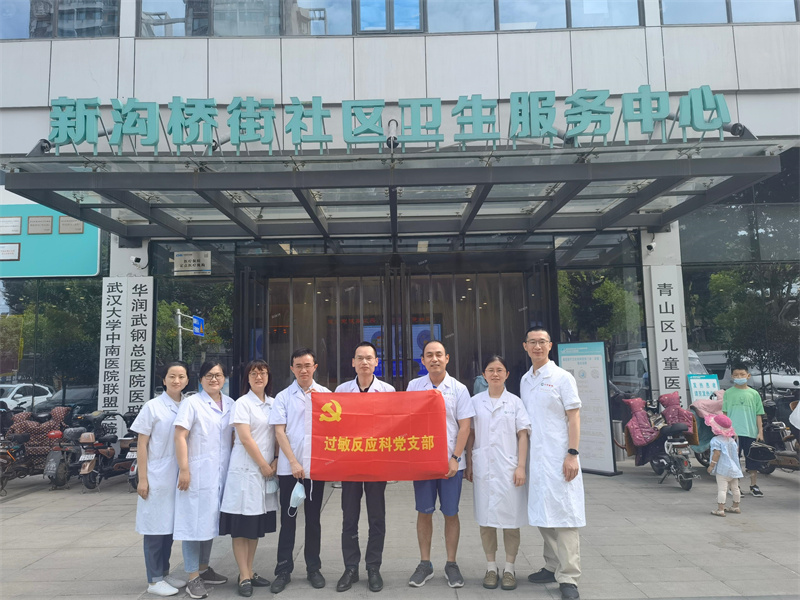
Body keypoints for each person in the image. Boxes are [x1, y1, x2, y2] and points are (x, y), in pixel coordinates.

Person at [521, 326, 584, 600]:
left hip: (560, 457)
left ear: (550, 345)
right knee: (542, 512)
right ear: (525, 346)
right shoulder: (525, 380)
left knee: (565, 515)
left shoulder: (562, 378)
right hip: (536, 459)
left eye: (542, 342)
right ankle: (551, 564)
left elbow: (574, 417)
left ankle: (569, 576)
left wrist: (572, 453)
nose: (537, 346)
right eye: (532, 342)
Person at [406, 340, 475, 589]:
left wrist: (456, 458)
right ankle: (425, 563)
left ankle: (451, 563)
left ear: (447, 358)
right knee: (424, 511)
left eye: (438, 354)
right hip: (423, 462)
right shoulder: (414, 386)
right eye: (429, 355)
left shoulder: (459, 389)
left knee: (450, 512)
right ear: (422, 360)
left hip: (450, 463)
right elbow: (407, 421)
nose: (434, 359)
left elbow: (465, 426)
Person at [333, 341, 395, 593]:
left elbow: (394, 427)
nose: (364, 362)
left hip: (376, 465)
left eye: (369, 358)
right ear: (353, 362)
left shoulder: (388, 391)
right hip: (349, 465)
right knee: (349, 518)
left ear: (376, 362)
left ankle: (373, 567)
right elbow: (334, 428)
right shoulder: (341, 391)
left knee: (376, 518)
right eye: (360, 358)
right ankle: (350, 567)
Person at [268, 348, 331, 594]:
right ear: (292, 368)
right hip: (289, 470)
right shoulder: (283, 397)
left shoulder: (326, 395)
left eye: (307, 365)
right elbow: (279, 432)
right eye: (298, 366)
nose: (303, 370)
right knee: (288, 519)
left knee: (314, 520)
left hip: (316, 469)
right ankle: (283, 570)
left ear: (315, 367)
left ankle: (313, 568)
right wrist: (293, 462)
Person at [465, 355, 530, 591]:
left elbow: (523, 434)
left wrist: (521, 466)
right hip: (484, 467)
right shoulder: (475, 402)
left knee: (511, 521)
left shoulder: (515, 403)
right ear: (484, 374)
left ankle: (510, 569)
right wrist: (469, 463)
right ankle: (491, 567)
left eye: (499, 370)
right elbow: (470, 434)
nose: (495, 374)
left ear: (507, 375)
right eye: (490, 370)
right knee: (486, 520)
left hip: (509, 468)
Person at [174, 361, 235, 600]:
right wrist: (184, 469)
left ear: (224, 378)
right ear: (200, 379)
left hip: (220, 474)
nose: (214, 379)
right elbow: (180, 436)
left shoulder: (230, 404)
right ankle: (192, 577)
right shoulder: (191, 403)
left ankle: (204, 568)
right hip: (196, 474)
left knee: (209, 522)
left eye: (218, 375)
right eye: (209, 375)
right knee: (192, 525)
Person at [219, 360, 279, 597]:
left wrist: (276, 460)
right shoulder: (242, 403)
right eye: (253, 373)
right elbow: (245, 438)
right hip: (245, 472)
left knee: (254, 525)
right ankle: (243, 575)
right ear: (247, 378)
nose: (258, 377)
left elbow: (278, 434)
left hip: (265, 472)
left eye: (262, 372)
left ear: (268, 376)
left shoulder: (273, 404)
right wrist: (264, 464)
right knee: (241, 526)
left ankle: (250, 570)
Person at [131, 361, 190, 597]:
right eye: (172, 376)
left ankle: (164, 573)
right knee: (155, 529)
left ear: (187, 380)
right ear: (163, 380)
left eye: (181, 376)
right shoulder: (152, 407)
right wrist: (142, 479)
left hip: (178, 476)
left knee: (169, 528)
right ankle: (154, 580)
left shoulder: (188, 405)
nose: (177, 381)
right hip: (157, 475)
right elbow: (141, 444)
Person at [723, 362, 766, 497]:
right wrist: (726, 431)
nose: (739, 377)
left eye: (742, 374)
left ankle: (754, 486)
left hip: (750, 432)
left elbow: (758, 414)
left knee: (753, 459)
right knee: (734, 461)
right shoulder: (728, 393)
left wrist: (760, 432)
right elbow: (724, 415)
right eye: (736, 375)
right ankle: (735, 486)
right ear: (732, 377)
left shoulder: (754, 394)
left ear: (748, 376)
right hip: (733, 434)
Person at [706, 414, 743, 517]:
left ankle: (720, 509)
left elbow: (716, 454)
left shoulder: (716, 440)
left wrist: (711, 466)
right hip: (734, 468)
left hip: (723, 469)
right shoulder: (731, 440)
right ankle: (735, 506)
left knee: (722, 489)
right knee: (735, 488)